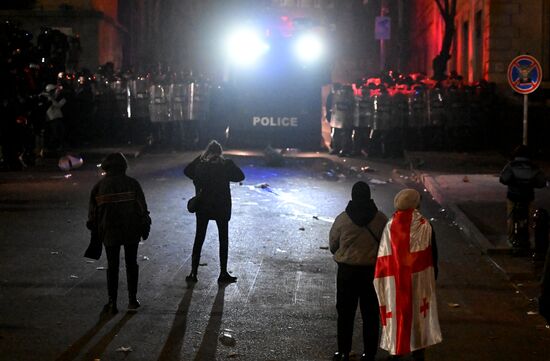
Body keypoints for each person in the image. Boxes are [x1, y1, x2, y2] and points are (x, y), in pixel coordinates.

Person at [373, 188, 441, 361]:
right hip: (419, 281)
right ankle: (418, 353)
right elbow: (432, 254)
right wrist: (432, 276)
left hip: (396, 283)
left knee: (398, 317)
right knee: (419, 318)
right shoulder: (425, 225)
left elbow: (384, 256)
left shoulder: (390, 225)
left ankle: (396, 351)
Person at [329, 181, 388, 361]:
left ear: (353, 196)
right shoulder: (381, 219)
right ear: (369, 196)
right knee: (370, 314)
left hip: (347, 273)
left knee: (345, 314)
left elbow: (333, 245)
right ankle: (369, 354)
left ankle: (344, 352)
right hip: (371, 272)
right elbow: (387, 246)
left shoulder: (342, 219)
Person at [87, 153, 150, 314]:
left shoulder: (99, 187)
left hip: (110, 232)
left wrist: (97, 231)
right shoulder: (133, 184)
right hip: (131, 230)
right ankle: (132, 300)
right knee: (131, 263)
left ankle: (112, 303)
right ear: (124, 166)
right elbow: (143, 210)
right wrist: (144, 227)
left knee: (112, 266)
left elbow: (92, 216)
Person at [184, 140, 245, 283]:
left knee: (199, 238)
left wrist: (198, 179)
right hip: (221, 206)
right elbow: (240, 176)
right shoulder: (226, 164)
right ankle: (223, 273)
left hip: (203, 205)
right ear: (220, 153)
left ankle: (193, 273)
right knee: (223, 239)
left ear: (207, 152)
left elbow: (187, 171)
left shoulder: (200, 162)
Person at [499, 144, 546, 249]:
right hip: (528, 197)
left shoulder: (511, 165)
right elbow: (542, 182)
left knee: (511, 217)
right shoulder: (534, 167)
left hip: (513, 196)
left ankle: (511, 239)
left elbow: (503, 179)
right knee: (529, 218)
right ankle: (527, 239)